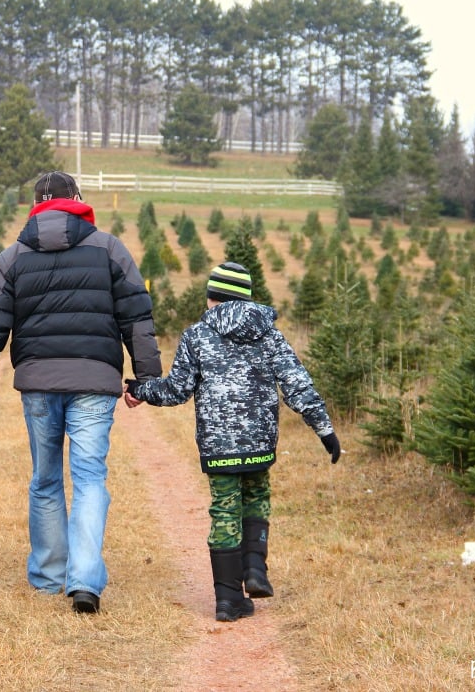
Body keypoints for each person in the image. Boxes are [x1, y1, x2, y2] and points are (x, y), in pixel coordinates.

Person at [0, 170, 162, 614]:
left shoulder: (11, 258)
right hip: (94, 380)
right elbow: (137, 318)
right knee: (90, 479)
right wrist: (145, 379)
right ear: (78, 200)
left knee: (45, 478)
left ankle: (50, 575)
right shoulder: (110, 249)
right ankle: (85, 579)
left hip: (38, 383)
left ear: (35, 206)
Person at [125, 262, 340, 622]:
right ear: (247, 297)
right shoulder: (268, 334)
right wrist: (325, 430)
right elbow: (296, 383)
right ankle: (255, 568)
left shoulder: (196, 335)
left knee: (225, 509)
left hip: (218, 445)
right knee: (256, 497)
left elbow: (178, 390)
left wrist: (140, 389)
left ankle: (228, 600)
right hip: (259, 443)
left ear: (211, 297)